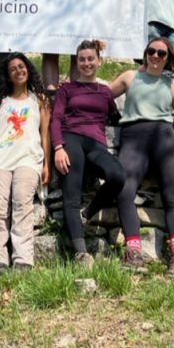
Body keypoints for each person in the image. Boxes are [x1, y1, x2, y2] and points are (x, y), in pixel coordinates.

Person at [108, 37, 174, 273]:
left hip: (163, 138)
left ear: (168, 59)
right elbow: (102, 96)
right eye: (151, 51)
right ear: (145, 54)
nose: (155, 56)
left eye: (161, 54)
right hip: (133, 137)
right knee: (124, 192)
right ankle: (133, 252)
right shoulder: (129, 77)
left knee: (171, 196)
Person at [50, 39, 125, 268]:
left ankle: (87, 213)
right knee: (71, 193)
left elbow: (116, 118)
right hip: (71, 139)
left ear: (99, 61)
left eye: (90, 58)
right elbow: (55, 119)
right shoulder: (67, 89)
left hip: (96, 144)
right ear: (77, 62)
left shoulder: (104, 91)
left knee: (117, 176)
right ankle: (81, 253)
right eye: (82, 59)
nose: (86, 63)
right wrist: (58, 147)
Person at [0, 54, 50, 272]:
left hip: (29, 159)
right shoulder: (0, 100)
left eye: (22, 66)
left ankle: (23, 258)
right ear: (8, 75)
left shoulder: (39, 100)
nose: (19, 71)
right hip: (0, 159)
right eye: (13, 69)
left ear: (28, 69)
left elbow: (45, 134)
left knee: (22, 202)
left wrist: (46, 163)